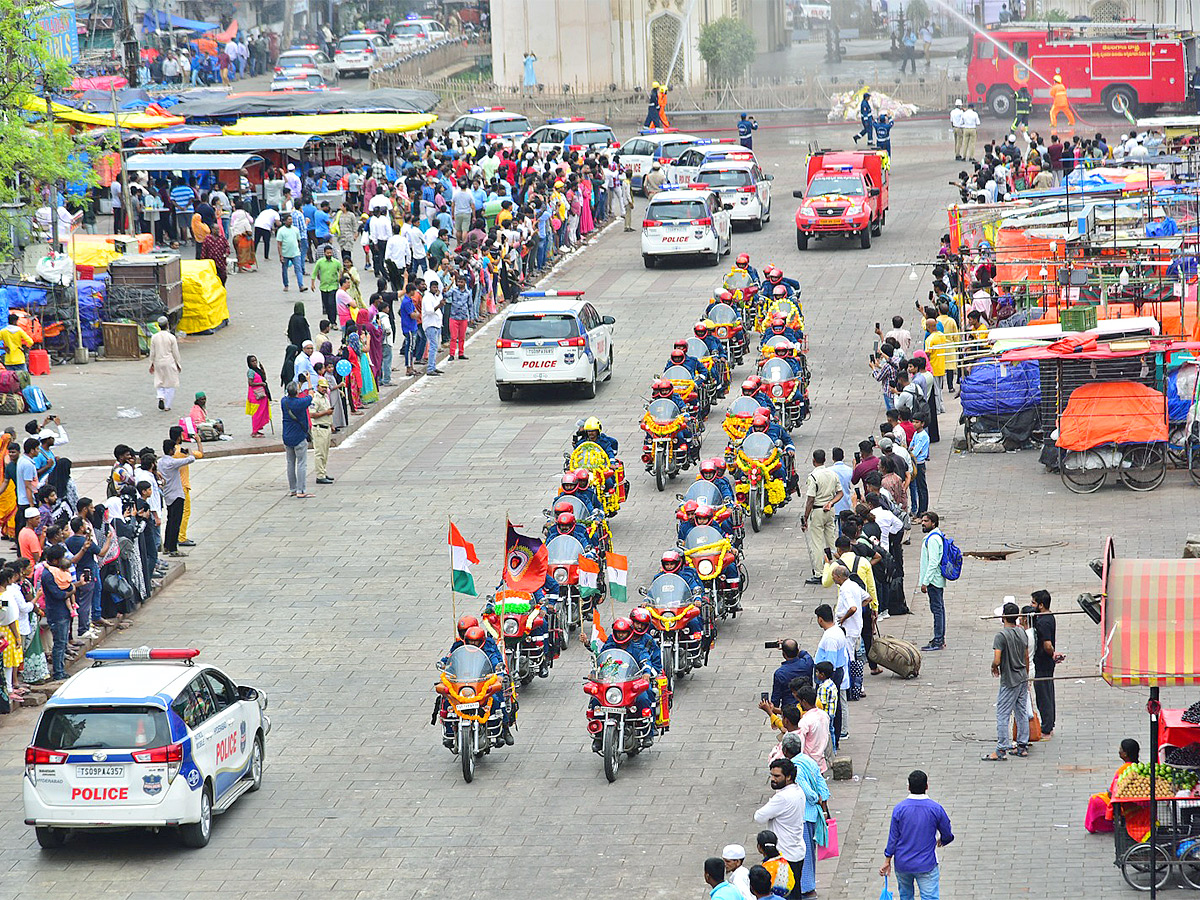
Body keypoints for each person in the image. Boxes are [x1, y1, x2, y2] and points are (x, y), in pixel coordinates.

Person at [880, 770, 955, 900]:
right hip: (926, 864)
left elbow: (893, 838)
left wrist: (887, 860)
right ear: (927, 786)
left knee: (906, 896)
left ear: (909, 787)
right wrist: (942, 841)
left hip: (903, 863)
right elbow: (947, 834)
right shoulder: (935, 809)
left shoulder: (899, 809)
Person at [781, 731, 831, 899]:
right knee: (810, 851)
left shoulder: (794, 767)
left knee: (804, 853)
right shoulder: (809, 761)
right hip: (813, 816)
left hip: (803, 816)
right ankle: (808, 886)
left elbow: (807, 792)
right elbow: (822, 785)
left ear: (786, 750)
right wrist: (822, 800)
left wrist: (815, 798)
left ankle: (806, 888)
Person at [984, 601, 1030, 761]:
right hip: (1022, 677)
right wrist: (1027, 675)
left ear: (1003, 617)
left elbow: (997, 659)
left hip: (1009, 680)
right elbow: (1026, 656)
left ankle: (1001, 748)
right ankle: (1022, 745)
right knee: (1021, 711)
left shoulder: (1001, 636)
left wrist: (993, 666)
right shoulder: (1022, 632)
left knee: (1003, 714)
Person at [753, 758, 807, 891]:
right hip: (796, 850)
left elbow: (759, 817)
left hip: (785, 854)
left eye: (777, 776)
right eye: (771, 775)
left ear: (788, 777)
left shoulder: (782, 798)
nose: (773, 779)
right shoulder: (798, 790)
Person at [802, 449, 842, 585]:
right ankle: (837, 568)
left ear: (814, 460)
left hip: (817, 511)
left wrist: (805, 518)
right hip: (829, 510)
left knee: (817, 543)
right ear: (825, 459)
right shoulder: (832, 473)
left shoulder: (813, 476)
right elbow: (840, 493)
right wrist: (831, 502)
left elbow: (810, 500)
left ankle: (819, 573)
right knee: (831, 540)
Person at [1085, 739, 1141, 834]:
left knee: (1094, 800)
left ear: (1125, 754)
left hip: (1123, 802)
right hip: (1132, 800)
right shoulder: (1139, 766)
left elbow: (1114, 791)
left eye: (1121, 749)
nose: (1119, 751)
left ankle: (1099, 826)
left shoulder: (1123, 769)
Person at [1031, 589, 1060, 738]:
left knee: (1043, 695)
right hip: (1047, 662)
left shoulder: (1043, 622)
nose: (1032, 605)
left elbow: (1047, 645)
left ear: (1041, 605)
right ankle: (1049, 723)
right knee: (1048, 692)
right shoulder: (1049, 617)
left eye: (1034, 602)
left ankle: (1047, 726)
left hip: (1042, 662)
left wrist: (1052, 653)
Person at [157, 438, 192, 557]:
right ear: (172, 450)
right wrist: (188, 452)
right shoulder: (172, 462)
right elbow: (191, 459)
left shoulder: (160, 462)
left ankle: (167, 546)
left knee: (170, 521)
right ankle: (173, 548)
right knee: (176, 522)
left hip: (167, 495)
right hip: (177, 495)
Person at [917, 511, 945, 652]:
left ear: (933, 523)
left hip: (933, 580)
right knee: (939, 608)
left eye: (926, 521)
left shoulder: (933, 539)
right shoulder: (934, 536)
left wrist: (925, 582)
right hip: (935, 579)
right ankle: (939, 638)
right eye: (922, 521)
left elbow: (933, 562)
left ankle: (938, 640)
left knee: (937, 610)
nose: (923, 523)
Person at [281, 382, 313, 499]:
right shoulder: (300, 403)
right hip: (299, 437)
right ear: (297, 392)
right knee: (301, 464)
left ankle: (293, 489)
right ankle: (301, 490)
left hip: (287, 436)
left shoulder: (284, 402)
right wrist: (309, 382)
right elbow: (311, 395)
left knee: (290, 463)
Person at [149, 317, 181, 412]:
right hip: (169, 362)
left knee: (159, 381)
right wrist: (178, 363)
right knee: (170, 383)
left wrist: (151, 363)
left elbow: (152, 352)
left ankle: (161, 396)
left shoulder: (154, 337)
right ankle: (167, 405)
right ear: (167, 325)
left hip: (158, 362)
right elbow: (175, 352)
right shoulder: (171, 337)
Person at [770, 639, 814, 706]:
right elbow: (804, 653)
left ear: (784, 654)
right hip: (807, 704)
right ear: (797, 651)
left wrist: (772, 712)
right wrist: (791, 646)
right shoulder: (807, 663)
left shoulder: (780, 673)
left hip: (790, 708)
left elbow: (776, 695)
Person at [310, 379, 334, 486]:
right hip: (319, 428)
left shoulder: (325, 398)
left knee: (325, 452)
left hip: (327, 427)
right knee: (319, 453)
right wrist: (326, 412)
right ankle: (320, 475)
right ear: (317, 387)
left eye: (326, 387)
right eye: (322, 387)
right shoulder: (315, 399)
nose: (324, 389)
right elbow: (312, 414)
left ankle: (323, 472)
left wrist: (331, 423)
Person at [276, 212, 306, 292]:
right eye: (289, 220)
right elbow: (279, 244)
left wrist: (299, 250)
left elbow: (298, 241)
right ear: (285, 221)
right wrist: (280, 255)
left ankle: (301, 285)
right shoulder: (281, 231)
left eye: (291, 219)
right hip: (285, 253)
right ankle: (286, 285)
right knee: (284, 270)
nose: (290, 221)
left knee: (298, 269)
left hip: (295, 253)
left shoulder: (296, 230)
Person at [422, 274, 445, 376]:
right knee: (433, 346)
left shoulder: (435, 297)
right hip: (430, 324)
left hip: (437, 324)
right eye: (433, 287)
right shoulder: (427, 298)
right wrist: (439, 306)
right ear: (430, 287)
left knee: (435, 346)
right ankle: (430, 368)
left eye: (436, 287)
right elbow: (429, 311)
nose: (435, 289)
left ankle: (433, 366)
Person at [246, 355, 272, 438]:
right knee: (256, 413)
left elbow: (264, 378)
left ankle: (258, 429)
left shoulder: (258, 370)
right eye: (252, 361)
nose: (254, 363)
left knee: (262, 412)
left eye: (255, 361)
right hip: (255, 395)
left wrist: (263, 370)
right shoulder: (251, 371)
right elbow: (250, 383)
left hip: (262, 395)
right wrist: (261, 384)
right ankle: (254, 431)